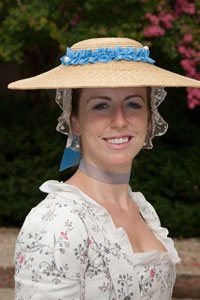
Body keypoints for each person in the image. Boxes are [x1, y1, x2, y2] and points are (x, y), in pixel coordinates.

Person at [9, 37, 200, 300]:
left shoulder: (142, 210)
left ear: (149, 118)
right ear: (74, 120)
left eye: (133, 104)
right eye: (101, 105)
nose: (120, 120)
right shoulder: (56, 222)